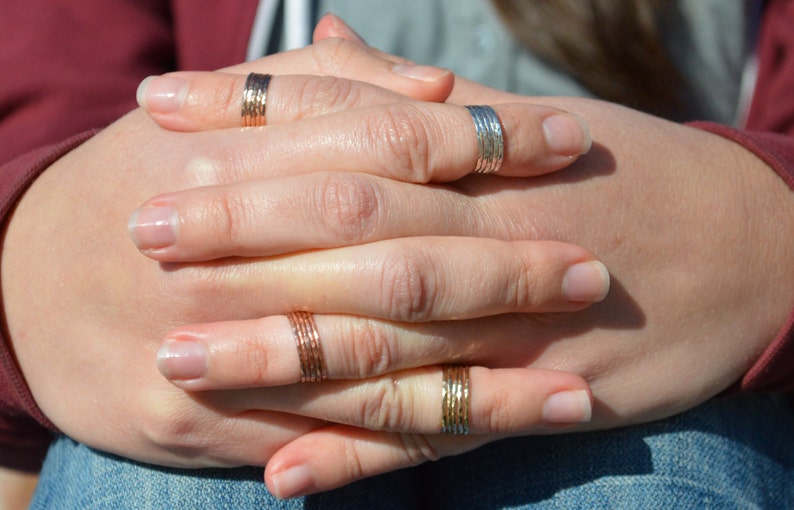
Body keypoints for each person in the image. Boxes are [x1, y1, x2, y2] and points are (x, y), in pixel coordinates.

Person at [1, 0, 793, 507]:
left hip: (667, 340)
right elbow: (41, 111)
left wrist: (759, 230)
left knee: (661, 469)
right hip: (234, 318)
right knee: (178, 473)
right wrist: (32, 251)